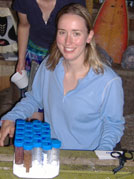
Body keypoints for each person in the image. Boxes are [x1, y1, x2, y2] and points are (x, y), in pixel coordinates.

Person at [0, 4, 125, 150]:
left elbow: (113, 126)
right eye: (62, 32)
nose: (67, 42)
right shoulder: (49, 66)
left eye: (76, 33)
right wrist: (11, 117)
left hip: (87, 158)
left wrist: (99, 159)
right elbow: (34, 99)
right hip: (51, 152)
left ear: (89, 36)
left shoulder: (108, 82)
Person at [13, 0, 86, 120]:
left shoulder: (73, 1)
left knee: (60, 103)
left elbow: (81, 31)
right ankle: (36, 134)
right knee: (33, 103)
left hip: (64, 53)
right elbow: (24, 25)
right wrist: (21, 59)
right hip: (34, 55)